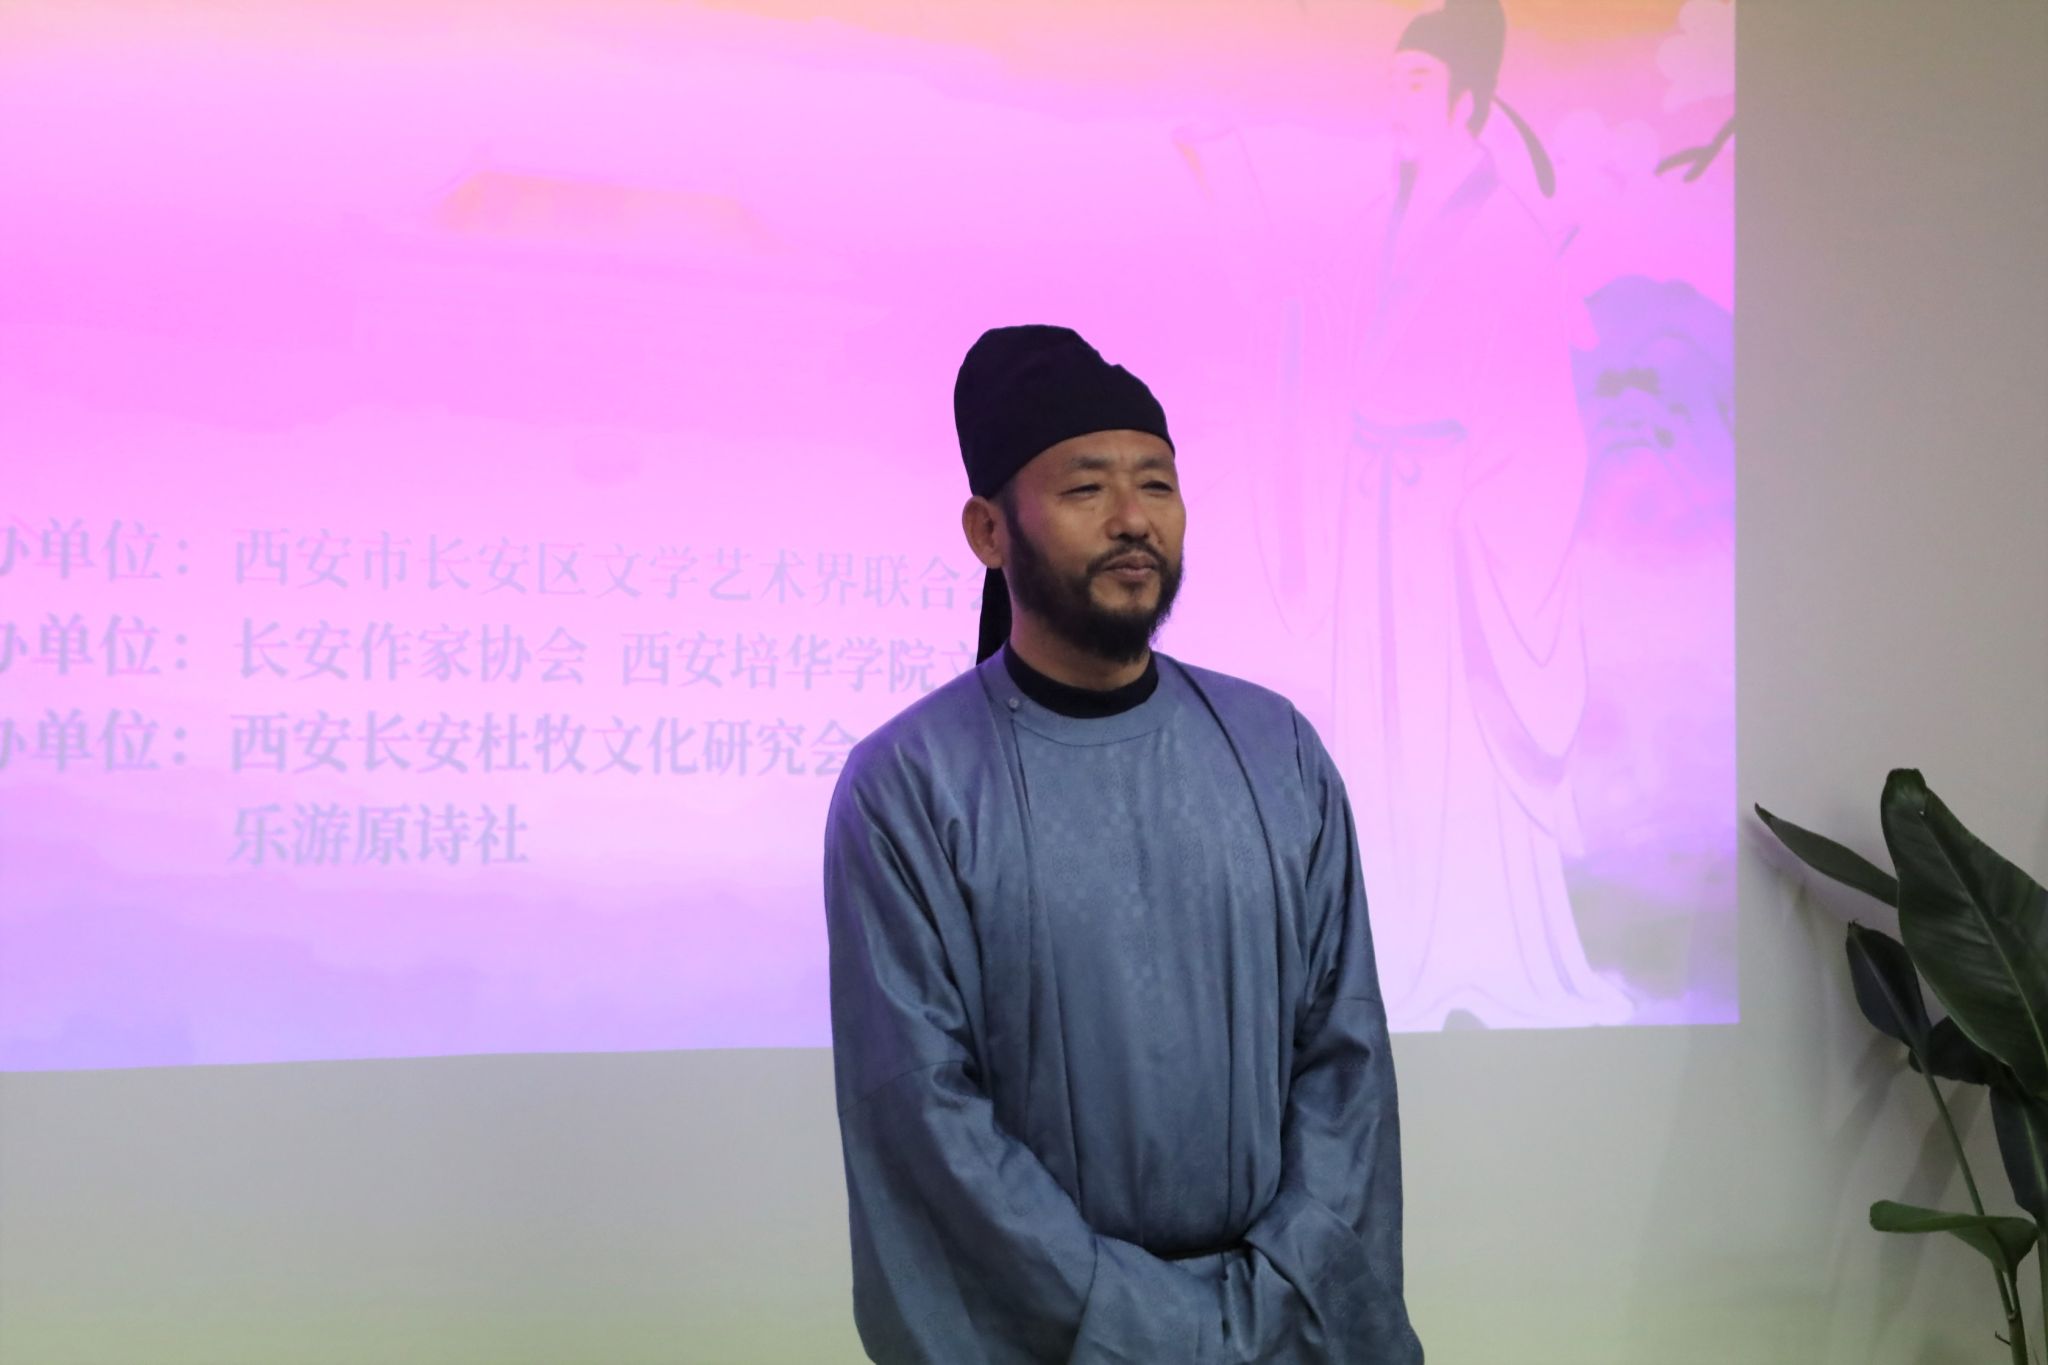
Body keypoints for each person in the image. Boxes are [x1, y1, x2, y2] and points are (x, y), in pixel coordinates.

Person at [822, 324, 1423, 1364]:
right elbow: (926, 1118)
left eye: (1156, 484)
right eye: (1085, 488)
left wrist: (1269, 1303)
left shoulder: (1275, 749)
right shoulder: (910, 788)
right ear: (987, 531)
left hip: (1285, 1326)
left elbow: (1344, 1063)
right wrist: (1157, 1328)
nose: (1133, 519)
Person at [1306, 0, 1632, 1030]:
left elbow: (1540, 428)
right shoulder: (1380, 221)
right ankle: (1378, 953)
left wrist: (1472, 521)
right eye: (1390, 82)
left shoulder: (1506, 235)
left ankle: (1468, 947)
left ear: (1463, 100)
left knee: (1450, 740)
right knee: (1375, 737)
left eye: (1414, 83)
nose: (1393, 104)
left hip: (1453, 532)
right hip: (1375, 514)